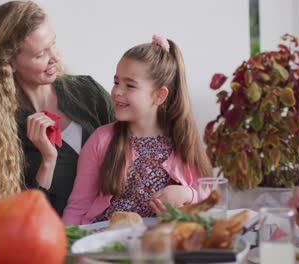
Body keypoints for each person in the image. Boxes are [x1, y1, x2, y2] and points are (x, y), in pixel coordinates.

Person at [0, 1, 114, 216]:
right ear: (11, 63)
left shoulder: (88, 93)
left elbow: (131, 151)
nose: (55, 58)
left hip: (108, 235)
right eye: (40, 54)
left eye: (53, 44)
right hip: (53, 243)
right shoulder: (2, 130)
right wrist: (48, 160)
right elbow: (22, 221)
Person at [62, 35, 213, 225]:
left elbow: (209, 198)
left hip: (161, 243)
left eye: (130, 85)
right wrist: (66, 246)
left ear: (159, 95)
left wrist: (188, 194)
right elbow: (78, 206)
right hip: (108, 244)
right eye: (116, 82)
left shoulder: (182, 140)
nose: (117, 91)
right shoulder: (100, 140)